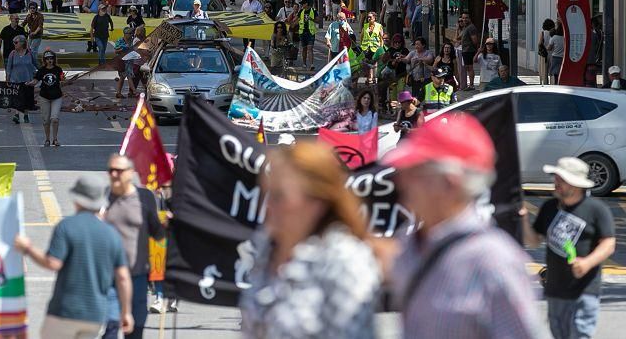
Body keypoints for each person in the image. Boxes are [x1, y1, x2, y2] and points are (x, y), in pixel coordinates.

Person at [385, 113, 541, 338]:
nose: (400, 181)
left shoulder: (494, 262)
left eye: (415, 172)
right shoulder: (409, 243)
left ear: (450, 183)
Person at [240, 142, 380, 339]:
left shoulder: (343, 259)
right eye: (267, 194)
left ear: (317, 201)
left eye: (280, 196)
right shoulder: (266, 248)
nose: (268, 206)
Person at [15, 175, 134, 339]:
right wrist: (126, 312)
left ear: (77, 200)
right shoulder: (112, 233)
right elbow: (123, 277)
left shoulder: (66, 226)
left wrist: (28, 248)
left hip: (64, 311)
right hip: (95, 314)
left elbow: (53, 263)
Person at [523, 156, 616, 339]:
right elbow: (534, 241)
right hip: (555, 290)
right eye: (556, 178)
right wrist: (524, 220)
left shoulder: (596, 209)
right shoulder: (550, 207)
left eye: (561, 179)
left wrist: (588, 263)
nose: (555, 183)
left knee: (580, 335)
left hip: (584, 291)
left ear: (575, 184)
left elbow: (609, 243)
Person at [102, 154, 165, 339]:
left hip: (137, 276)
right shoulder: (102, 198)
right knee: (111, 326)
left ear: (130, 173)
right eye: (111, 170)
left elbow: (157, 233)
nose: (114, 174)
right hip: (107, 277)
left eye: (119, 171)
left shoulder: (144, 197)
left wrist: (167, 224)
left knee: (136, 328)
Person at [32, 51, 66, 148]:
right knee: (46, 120)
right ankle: (47, 139)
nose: (49, 60)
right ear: (44, 60)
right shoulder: (42, 70)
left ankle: (55, 139)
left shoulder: (58, 69)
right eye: (47, 59)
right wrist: (28, 83)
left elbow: (62, 79)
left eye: (51, 58)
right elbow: (35, 80)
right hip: (44, 97)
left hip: (57, 96)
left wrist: (63, 79)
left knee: (54, 118)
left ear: (54, 59)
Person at [7, 36, 37, 125]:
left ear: (22, 43)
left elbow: (36, 64)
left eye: (16, 42)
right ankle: (16, 115)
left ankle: (26, 115)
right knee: (18, 98)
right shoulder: (12, 54)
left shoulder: (29, 53)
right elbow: (9, 67)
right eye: (14, 42)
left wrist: (43, 73)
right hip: (15, 80)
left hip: (28, 79)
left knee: (27, 98)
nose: (14, 44)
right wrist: (7, 80)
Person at [457, 12, 480, 90]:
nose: (464, 19)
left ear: (469, 18)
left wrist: (475, 51)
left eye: (466, 18)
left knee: (470, 67)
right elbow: (458, 37)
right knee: (467, 67)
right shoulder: (465, 27)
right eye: (463, 18)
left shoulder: (471, 28)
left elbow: (475, 41)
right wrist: (458, 28)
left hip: (469, 50)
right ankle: (470, 84)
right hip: (465, 50)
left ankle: (471, 85)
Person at [297, 1, 317, 70]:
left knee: (310, 48)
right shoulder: (301, 11)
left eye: (303, 3)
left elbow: (318, 20)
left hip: (310, 32)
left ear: (306, 3)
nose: (302, 5)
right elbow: (297, 20)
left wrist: (312, 19)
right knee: (304, 49)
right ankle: (304, 63)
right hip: (302, 32)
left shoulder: (313, 10)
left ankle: (312, 64)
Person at [538, 18, 556, 84]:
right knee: (552, 71)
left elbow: (540, 43)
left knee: (544, 71)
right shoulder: (554, 33)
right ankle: (553, 84)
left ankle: (544, 84)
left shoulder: (543, 33)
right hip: (552, 54)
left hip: (544, 55)